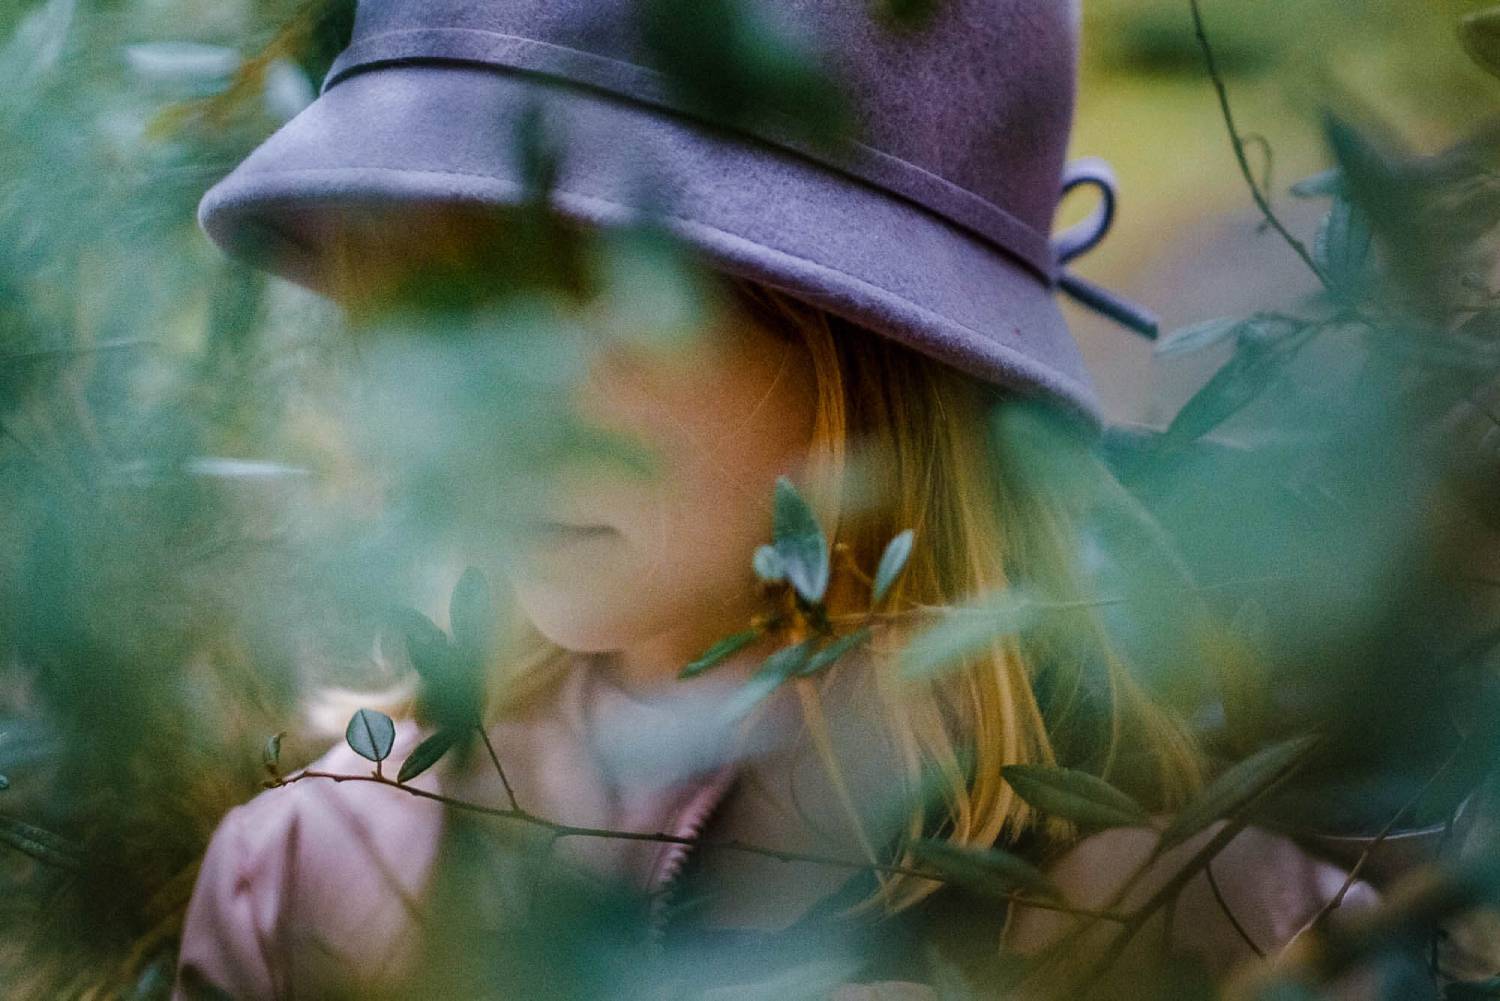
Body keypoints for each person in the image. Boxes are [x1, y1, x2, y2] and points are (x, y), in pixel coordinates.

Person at [170, 1, 1381, 998]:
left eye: (593, 297)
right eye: (423, 300)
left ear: (873, 355)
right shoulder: (315, 882)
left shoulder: (1214, 925)